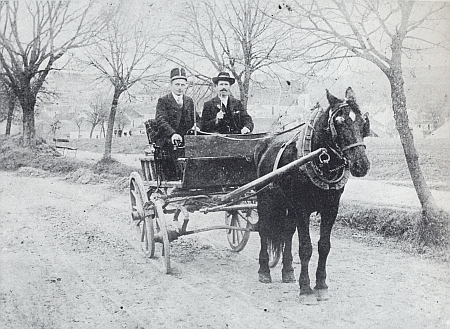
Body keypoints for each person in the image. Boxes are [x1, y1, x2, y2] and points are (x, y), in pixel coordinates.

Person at [154, 67, 200, 179]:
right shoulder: (163, 101)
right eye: (177, 84)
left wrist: (197, 126)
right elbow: (160, 120)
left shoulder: (189, 101)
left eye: (183, 85)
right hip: (167, 138)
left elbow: (198, 119)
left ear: (186, 86)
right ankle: (176, 178)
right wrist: (172, 134)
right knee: (174, 148)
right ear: (171, 85)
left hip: (186, 138)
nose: (180, 88)